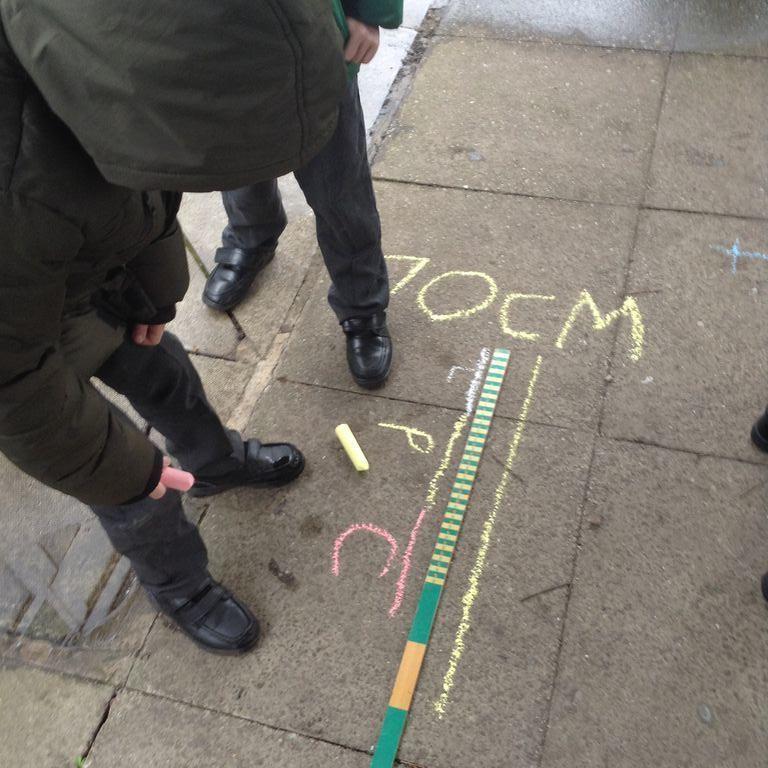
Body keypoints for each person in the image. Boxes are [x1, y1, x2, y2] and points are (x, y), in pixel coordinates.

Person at [0, 0, 348, 654]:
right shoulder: (17, 183)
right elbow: (16, 390)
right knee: (134, 487)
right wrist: (129, 470)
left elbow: (149, 189)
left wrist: (157, 294)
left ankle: (217, 463)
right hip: (20, 344)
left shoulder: (129, 73)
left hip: (84, 281)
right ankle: (180, 585)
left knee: (166, 371)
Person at [203, 0, 403, 390]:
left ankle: (361, 304)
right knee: (237, 161)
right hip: (213, 50)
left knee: (339, 189)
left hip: (308, 39)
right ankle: (252, 236)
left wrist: (368, 12)